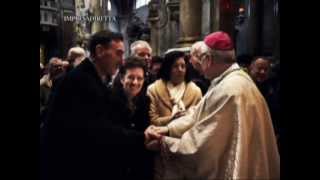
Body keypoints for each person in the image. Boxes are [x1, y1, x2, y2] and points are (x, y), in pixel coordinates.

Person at [144, 31, 280, 179]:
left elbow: (203, 146)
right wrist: (168, 129)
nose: (199, 68)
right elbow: (198, 114)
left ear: (207, 59)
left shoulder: (229, 91)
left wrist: (164, 144)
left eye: (200, 60)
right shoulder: (234, 80)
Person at [41, 30, 147, 180]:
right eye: (118, 53)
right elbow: (97, 131)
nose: (122, 60)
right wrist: (141, 137)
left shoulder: (92, 78)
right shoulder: (80, 81)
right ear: (99, 51)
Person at [146, 50, 202, 180]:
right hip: (161, 148)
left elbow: (199, 121)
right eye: (175, 66)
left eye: (183, 66)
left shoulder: (195, 91)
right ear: (167, 68)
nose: (180, 70)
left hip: (187, 150)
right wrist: (172, 119)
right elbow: (152, 120)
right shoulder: (153, 89)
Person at [110, 56, 154, 179]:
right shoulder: (109, 99)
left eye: (139, 78)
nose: (135, 82)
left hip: (140, 164)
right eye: (131, 77)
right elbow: (113, 135)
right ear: (122, 78)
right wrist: (143, 137)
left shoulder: (145, 100)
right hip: (117, 164)